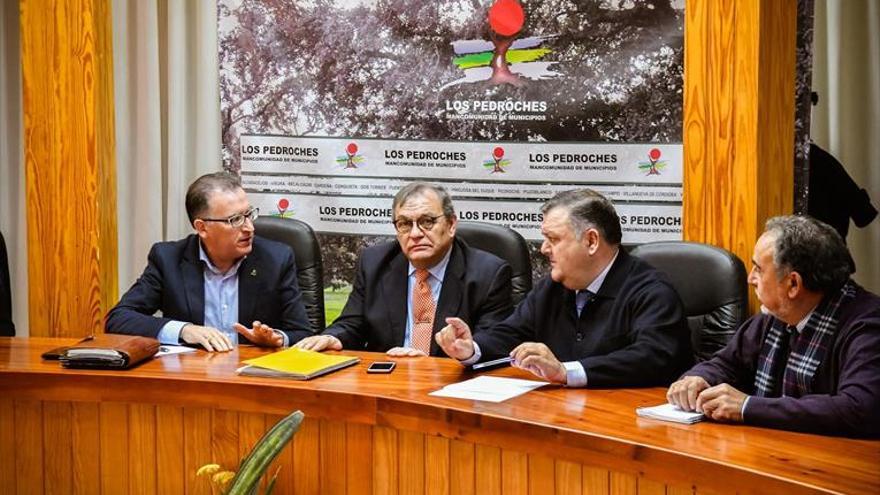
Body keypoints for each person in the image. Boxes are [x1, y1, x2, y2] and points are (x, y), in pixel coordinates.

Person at [436, 189, 691, 387]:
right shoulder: (554, 287)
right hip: (562, 417)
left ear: (591, 241)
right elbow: (510, 333)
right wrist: (472, 349)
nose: (544, 249)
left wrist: (565, 371)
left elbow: (653, 358)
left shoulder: (651, 291)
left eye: (554, 239)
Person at [667, 215, 880, 437]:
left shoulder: (867, 326)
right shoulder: (775, 314)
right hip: (774, 450)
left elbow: (860, 409)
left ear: (793, 284)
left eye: (758, 269)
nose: (750, 279)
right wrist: (698, 379)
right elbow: (727, 363)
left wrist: (748, 407)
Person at [295, 182, 513, 357]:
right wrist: (334, 337)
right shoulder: (374, 263)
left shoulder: (488, 273)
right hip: (388, 383)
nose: (415, 233)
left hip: (452, 384)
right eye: (405, 224)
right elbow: (353, 322)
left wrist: (467, 351)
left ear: (451, 225)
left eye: (427, 222)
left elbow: (494, 341)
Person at [106, 172, 312, 351]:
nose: (249, 227)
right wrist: (184, 330)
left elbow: (302, 332)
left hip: (254, 380)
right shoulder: (168, 259)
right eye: (235, 220)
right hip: (194, 378)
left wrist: (276, 339)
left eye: (249, 215)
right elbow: (119, 318)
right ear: (202, 228)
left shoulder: (275, 259)